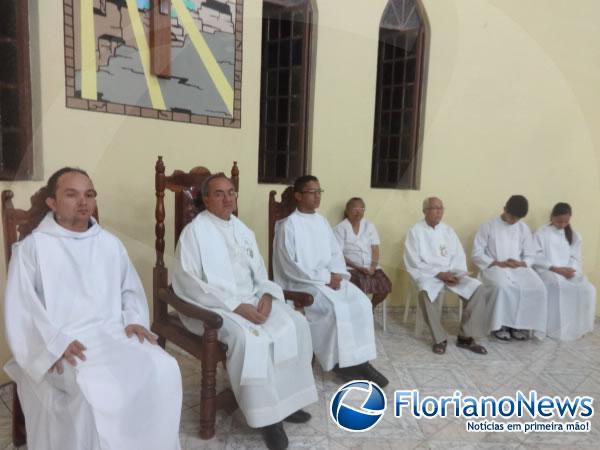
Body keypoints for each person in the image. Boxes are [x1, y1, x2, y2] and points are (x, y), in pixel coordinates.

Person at [4, 168, 182, 450]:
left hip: (113, 332)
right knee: (93, 392)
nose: (83, 202)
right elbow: (23, 308)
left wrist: (134, 319)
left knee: (164, 368)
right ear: (52, 203)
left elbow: (129, 290)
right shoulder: (31, 249)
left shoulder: (110, 244)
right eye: (72, 194)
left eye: (89, 194)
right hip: (65, 343)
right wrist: (55, 343)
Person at [172, 174, 317, 450]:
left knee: (296, 324)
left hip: (252, 298)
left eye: (231, 192)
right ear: (205, 199)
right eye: (219, 193)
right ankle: (266, 418)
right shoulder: (194, 232)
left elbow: (261, 272)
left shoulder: (243, 230)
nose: (228, 199)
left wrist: (266, 297)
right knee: (251, 339)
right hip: (215, 306)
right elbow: (188, 281)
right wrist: (237, 306)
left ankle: (287, 403)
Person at [273, 175, 388, 387]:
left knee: (361, 303)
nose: (317, 196)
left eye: (319, 191)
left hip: (330, 278)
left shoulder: (322, 221)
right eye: (311, 192)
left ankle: (360, 361)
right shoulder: (288, 225)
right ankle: (340, 364)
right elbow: (290, 265)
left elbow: (336, 253)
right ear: (298, 196)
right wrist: (326, 278)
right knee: (335, 309)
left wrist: (336, 275)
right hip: (302, 282)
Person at [404, 197, 488, 355]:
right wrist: (438, 274)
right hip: (429, 274)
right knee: (425, 293)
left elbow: (458, 255)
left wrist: (457, 273)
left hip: (450, 273)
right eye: (434, 208)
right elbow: (413, 261)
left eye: (441, 208)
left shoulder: (448, 230)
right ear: (425, 211)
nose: (438, 212)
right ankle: (439, 339)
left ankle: (465, 337)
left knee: (478, 289)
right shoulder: (415, 231)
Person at [472, 195, 547, 340]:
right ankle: (500, 326)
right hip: (493, 268)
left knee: (537, 287)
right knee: (502, 286)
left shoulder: (523, 228)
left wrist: (522, 263)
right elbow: (476, 254)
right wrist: (497, 262)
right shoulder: (488, 226)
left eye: (517, 219)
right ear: (505, 209)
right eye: (511, 216)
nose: (514, 221)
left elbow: (530, 254)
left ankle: (520, 325)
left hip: (518, 268)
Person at [533, 203, 596, 340]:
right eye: (559, 221)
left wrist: (571, 270)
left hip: (568, 271)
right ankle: (555, 328)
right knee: (558, 286)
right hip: (548, 271)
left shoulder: (574, 235)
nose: (562, 225)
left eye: (566, 221)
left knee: (588, 289)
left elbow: (575, 257)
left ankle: (578, 327)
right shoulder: (542, 232)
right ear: (552, 217)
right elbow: (536, 255)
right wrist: (555, 268)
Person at [333, 197, 392, 309]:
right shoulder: (340, 229)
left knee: (385, 286)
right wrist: (359, 268)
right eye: (355, 208)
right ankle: (359, 310)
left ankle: (370, 308)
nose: (358, 212)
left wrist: (373, 267)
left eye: (361, 208)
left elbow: (375, 248)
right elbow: (339, 255)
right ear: (347, 210)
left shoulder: (369, 225)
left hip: (371, 267)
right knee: (357, 287)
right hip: (351, 268)